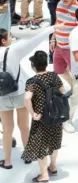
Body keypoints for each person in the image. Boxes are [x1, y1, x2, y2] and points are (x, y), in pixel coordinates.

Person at [0, 26, 51, 168]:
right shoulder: (13, 50)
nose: (12, 38)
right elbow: (34, 40)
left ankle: (7, 161)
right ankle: (28, 155)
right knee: (24, 126)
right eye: (10, 36)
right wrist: (52, 28)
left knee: (7, 129)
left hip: (2, 96)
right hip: (19, 92)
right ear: (3, 41)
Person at [19, 50, 63, 183]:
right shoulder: (54, 76)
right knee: (54, 142)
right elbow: (62, 91)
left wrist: (33, 113)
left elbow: (27, 98)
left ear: (33, 66)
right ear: (45, 64)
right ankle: (53, 166)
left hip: (41, 119)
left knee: (41, 146)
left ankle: (44, 175)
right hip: (55, 116)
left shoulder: (32, 81)